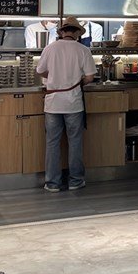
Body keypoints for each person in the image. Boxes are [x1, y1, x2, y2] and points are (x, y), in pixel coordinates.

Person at [35, 16, 96, 192]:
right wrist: (77, 81)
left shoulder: (50, 48)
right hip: (73, 103)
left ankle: (52, 183)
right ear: (77, 33)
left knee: (52, 143)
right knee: (75, 142)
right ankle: (75, 181)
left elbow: (40, 71)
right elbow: (90, 77)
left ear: (62, 32)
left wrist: (55, 77)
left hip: (53, 103)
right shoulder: (83, 50)